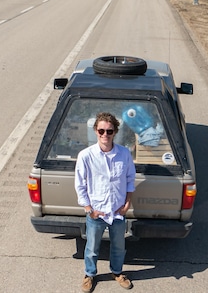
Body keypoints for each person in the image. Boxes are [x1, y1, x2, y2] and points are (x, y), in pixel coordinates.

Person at [75, 112, 136, 292]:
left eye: (109, 131)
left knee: (119, 247)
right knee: (92, 248)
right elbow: (80, 184)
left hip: (118, 212)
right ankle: (90, 274)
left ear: (115, 132)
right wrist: (89, 209)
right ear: (95, 131)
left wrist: (127, 203)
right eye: (101, 130)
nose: (105, 135)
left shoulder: (124, 154)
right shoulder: (86, 156)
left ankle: (117, 272)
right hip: (96, 212)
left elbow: (130, 179)